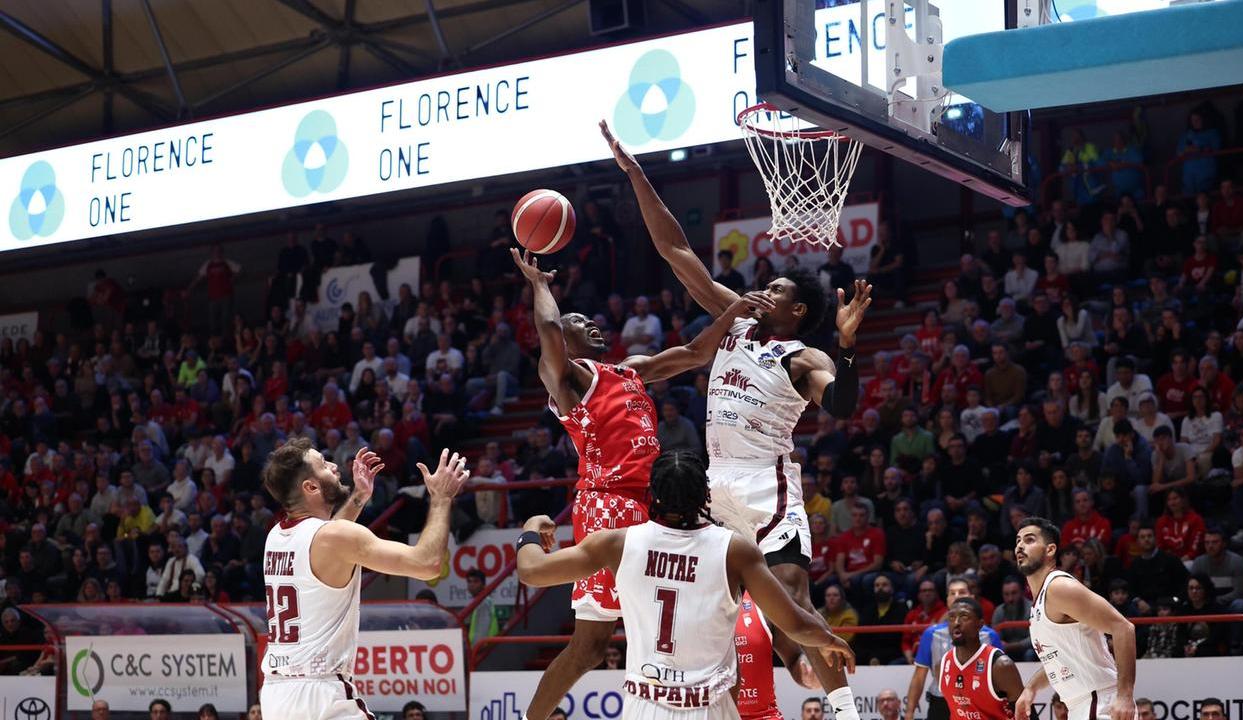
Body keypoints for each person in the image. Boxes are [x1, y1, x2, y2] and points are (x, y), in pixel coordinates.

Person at [603, 120, 871, 718]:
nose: (760, 290)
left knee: (793, 602)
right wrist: (636, 174)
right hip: (713, 484)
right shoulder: (735, 320)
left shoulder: (807, 357)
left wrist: (849, 348)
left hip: (765, 488)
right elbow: (676, 253)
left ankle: (847, 711)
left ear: (795, 310)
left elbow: (845, 406)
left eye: (773, 289)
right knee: (704, 602)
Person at [510, 249, 773, 720]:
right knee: (590, 646)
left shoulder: (629, 370)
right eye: (577, 323)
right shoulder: (565, 380)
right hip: (607, 506)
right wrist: (540, 285)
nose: (589, 325)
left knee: (695, 625)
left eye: (590, 321)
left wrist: (731, 311)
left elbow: (694, 354)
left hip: (656, 506)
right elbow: (548, 333)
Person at [515, 450, 855, 720]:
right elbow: (794, 622)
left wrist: (531, 527)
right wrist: (829, 639)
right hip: (711, 707)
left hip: (644, 706)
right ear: (706, 495)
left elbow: (531, 571)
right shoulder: (734, 549)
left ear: (653, 496)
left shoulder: (617, 544)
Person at [258, 440, 469, 719]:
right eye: (324, 464)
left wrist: (358, 497)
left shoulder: (276, 536)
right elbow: (427, 563)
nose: (335, 467)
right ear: (310, 487)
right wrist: (441, 498)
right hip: (320, 694)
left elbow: (330, 543)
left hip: (276, 694)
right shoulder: (333, 537)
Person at [1013, 517, 1136, 720]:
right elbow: (1061, 659)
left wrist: (1125, 696)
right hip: (1082, 705)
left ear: (1050, 550)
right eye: (1018, 541)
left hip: (1100, 702)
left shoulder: (1059, 587)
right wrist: (1031, 689)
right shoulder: (1040, 600)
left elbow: (1123, 628)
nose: (1020, 546)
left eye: (1029, 540)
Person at [904, 578, 1004, 720]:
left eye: (962, 592)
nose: (957, 596)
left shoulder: (990, 635)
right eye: (952, 593)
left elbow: (1000, 676)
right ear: (947, 600)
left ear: (971, 597)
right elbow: (919, 677)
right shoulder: (931, 634)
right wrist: (909, 712)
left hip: (977, 702)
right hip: (940, 702)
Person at [735, 590, 820, 720]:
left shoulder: (764, 603)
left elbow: (794, 658)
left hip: (762, 715)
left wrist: (807, 675)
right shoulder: (700, 604)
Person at [939, 597, 1024, 720]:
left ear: (980, 625)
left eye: (964, 617)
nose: (956, 622)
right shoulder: (945, 661)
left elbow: (1027, 714)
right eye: (951, 617)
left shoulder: (1000, 665)